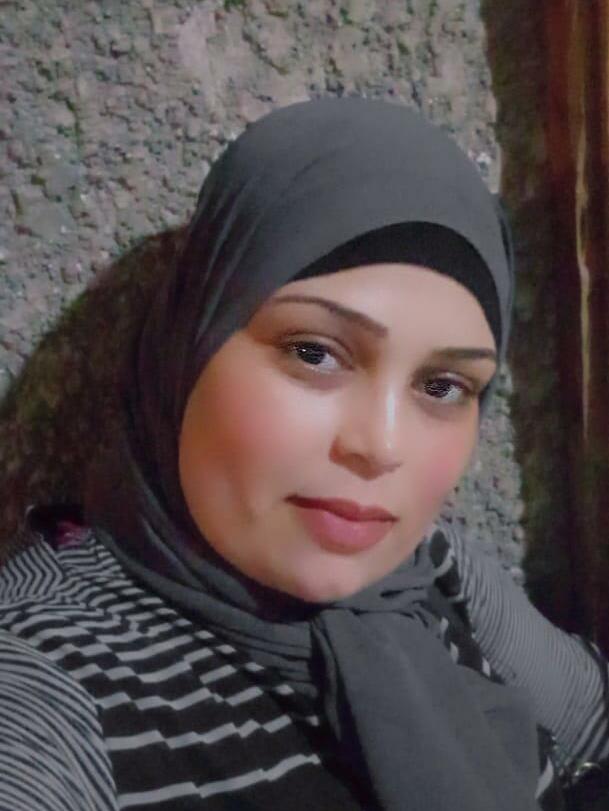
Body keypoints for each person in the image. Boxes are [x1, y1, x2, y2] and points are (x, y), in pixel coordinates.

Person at [0, 97, 606, 810]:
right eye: (314, 353)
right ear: (187, 344)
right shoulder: (47, 686)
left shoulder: (433, 576)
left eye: (442, 386)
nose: (380, 446)